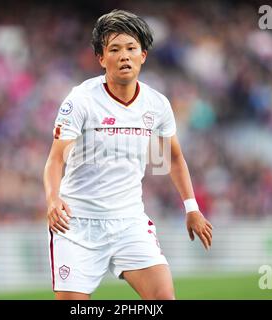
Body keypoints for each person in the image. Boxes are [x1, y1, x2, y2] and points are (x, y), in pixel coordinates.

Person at [43, 9, 213, 300]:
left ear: (143, 55)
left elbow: (172, 158)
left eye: (132, 48)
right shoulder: (81, 100)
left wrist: (191, 207)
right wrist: (52, 198)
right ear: (101, 58)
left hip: (129, 222)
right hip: (77, 225)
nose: (124, 56)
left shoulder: (156, 105)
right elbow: (56, 158)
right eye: (115, 49)